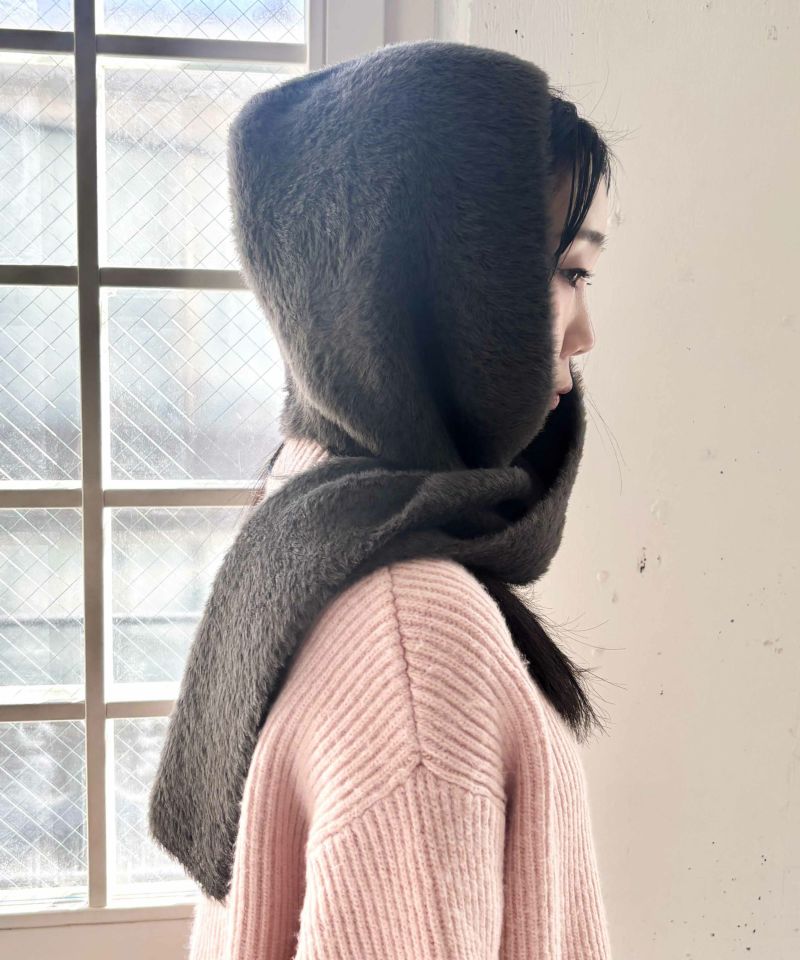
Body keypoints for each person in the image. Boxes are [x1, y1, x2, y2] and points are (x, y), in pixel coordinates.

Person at [149, 39, 617, 959]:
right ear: (450, 289)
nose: (584, 332)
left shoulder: (306, 512)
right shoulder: (415, 635)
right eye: (567, 273)